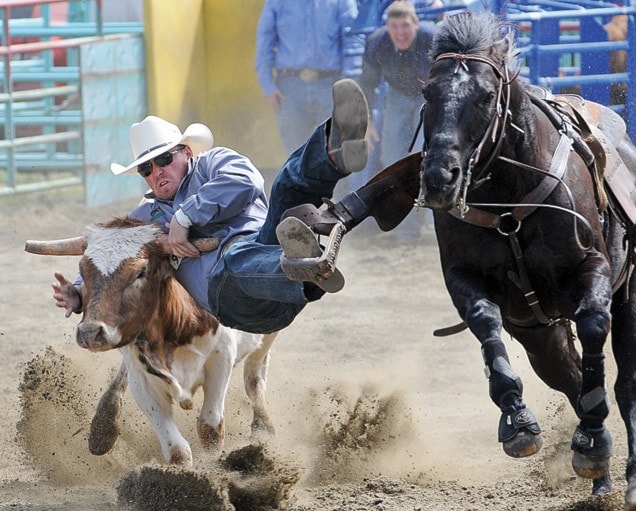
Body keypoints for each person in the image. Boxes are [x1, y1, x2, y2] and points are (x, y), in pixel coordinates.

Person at [53, 79, 370, 335]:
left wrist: (185, 215)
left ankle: (336, 149)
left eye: (164, 159)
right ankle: (301, 268)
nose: (157, 172)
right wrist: (78, 293)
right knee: (232, 263)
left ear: (186, 152)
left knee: (287, 183)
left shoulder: (216, 162)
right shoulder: (144, 217)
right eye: (146, 169)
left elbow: (245, 181)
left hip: (270, 252)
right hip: (237, 303)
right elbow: (111, 258)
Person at [357, 1, 437, 237]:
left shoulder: (433, 39)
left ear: (416, 24)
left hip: (430, 97)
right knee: (392, 156)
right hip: (398, 96)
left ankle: (435, 223)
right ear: (387, 27)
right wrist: (367, 121)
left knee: (430, 154)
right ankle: (406, 226)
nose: (400, 33)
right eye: (394, 26)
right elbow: (367, 84)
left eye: (405, 26)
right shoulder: (377, 42)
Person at [254, 0, 362, 156]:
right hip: (290, 87)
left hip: (331, 86)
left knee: (333, 150)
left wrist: (348, 84)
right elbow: (265, 41)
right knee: (295, 152)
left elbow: (352, 39)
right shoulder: (276, 2)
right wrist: (267, 86)